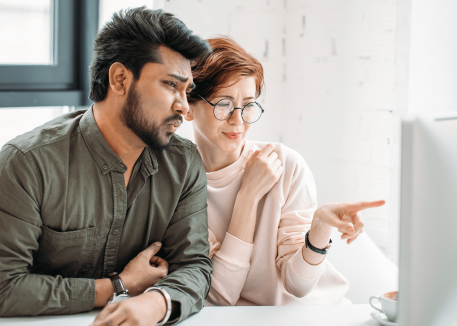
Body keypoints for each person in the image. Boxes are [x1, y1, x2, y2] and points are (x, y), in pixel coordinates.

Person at [0, 8, 212, 326]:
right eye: (171, 85)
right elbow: (5, 288)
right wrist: (118, 288)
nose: (183, 105)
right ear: (119, 79)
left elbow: (194, 265)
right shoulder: (27, 163)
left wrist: (156, 303)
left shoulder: (184, 164)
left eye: (187, 91)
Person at [185, 36, 385, 306]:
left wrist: (320, 227)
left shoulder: (284, 164)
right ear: (187, 106)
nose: (238, 120)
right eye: (223, 104)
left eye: (248, 105)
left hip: (315, 316)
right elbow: (220, 294)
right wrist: (248, 197)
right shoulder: (178, 183)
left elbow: (298, 286)